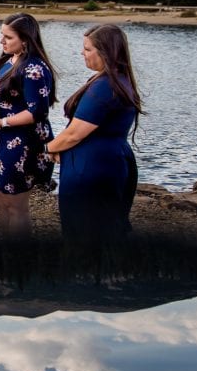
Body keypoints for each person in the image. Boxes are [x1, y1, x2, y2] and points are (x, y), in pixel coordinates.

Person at [45, 24, 142, 243]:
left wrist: (48, 148)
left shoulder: (105, 86)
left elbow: (76, 133)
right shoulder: (115, 80)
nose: (82, 53)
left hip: (93, 166)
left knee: (86, 229)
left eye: (88, 49)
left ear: (106, 52)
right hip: (107, 159)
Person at [0, 12, 56, 239]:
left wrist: (2, 121)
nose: (2, 41)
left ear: (26, 39)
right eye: (2, 35)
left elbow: (37, 112)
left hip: (22, 141)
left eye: (8, 37)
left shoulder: (34, 69)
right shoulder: (9, 60)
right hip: (1, 137)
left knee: (15, 204)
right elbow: (5, 97)